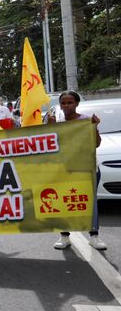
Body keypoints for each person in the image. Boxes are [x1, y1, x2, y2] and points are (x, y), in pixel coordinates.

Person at [47, 90, 107, 251]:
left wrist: (94, 127)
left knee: (90, 203)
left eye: (70, 102)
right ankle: (64, 236)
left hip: (88, 168)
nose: (66, 105)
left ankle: (94, 236)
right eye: (63, 103)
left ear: (76, 104)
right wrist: (49, 128)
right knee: (64, 201)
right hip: (65, 170)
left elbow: (96, 144)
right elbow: (50, 145)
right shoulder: (57, 123)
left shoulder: (86, 121)